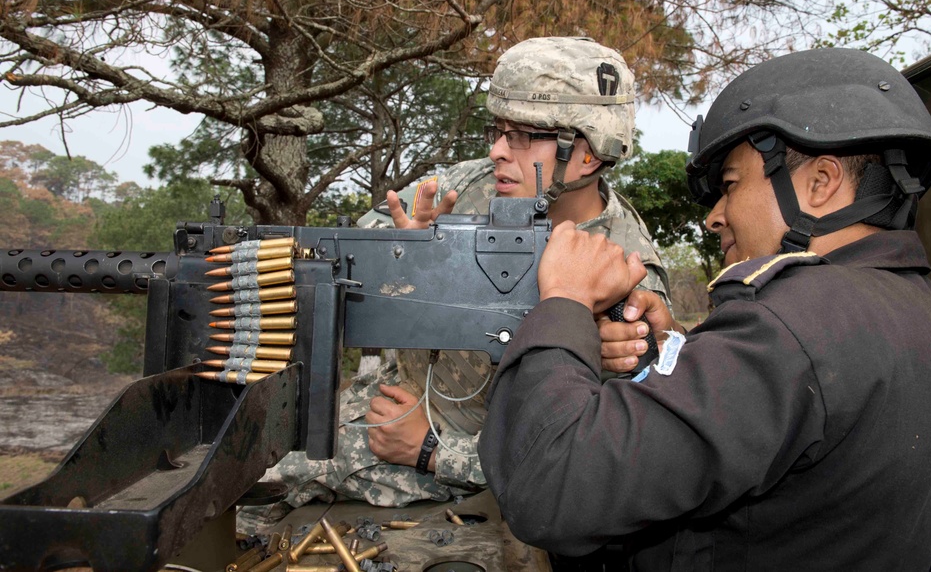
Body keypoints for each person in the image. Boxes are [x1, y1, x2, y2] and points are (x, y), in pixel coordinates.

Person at [478, 48, 931, 570]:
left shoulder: (792, 324)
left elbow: (549, 486)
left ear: (821, 184)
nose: (715, 217)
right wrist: (677, 357)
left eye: (731, 185)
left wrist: (564, 302)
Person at [237, 36, 670, 532]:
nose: (497, 150)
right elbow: (344, 255)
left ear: (587, 154)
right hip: (374, 403)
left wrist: (432, 450)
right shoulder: (472, 184)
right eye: (498, 131)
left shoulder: (629, 278)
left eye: (522, 136)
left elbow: (590, 461)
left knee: (243, 480)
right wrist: (408, 258)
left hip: (452, 461)